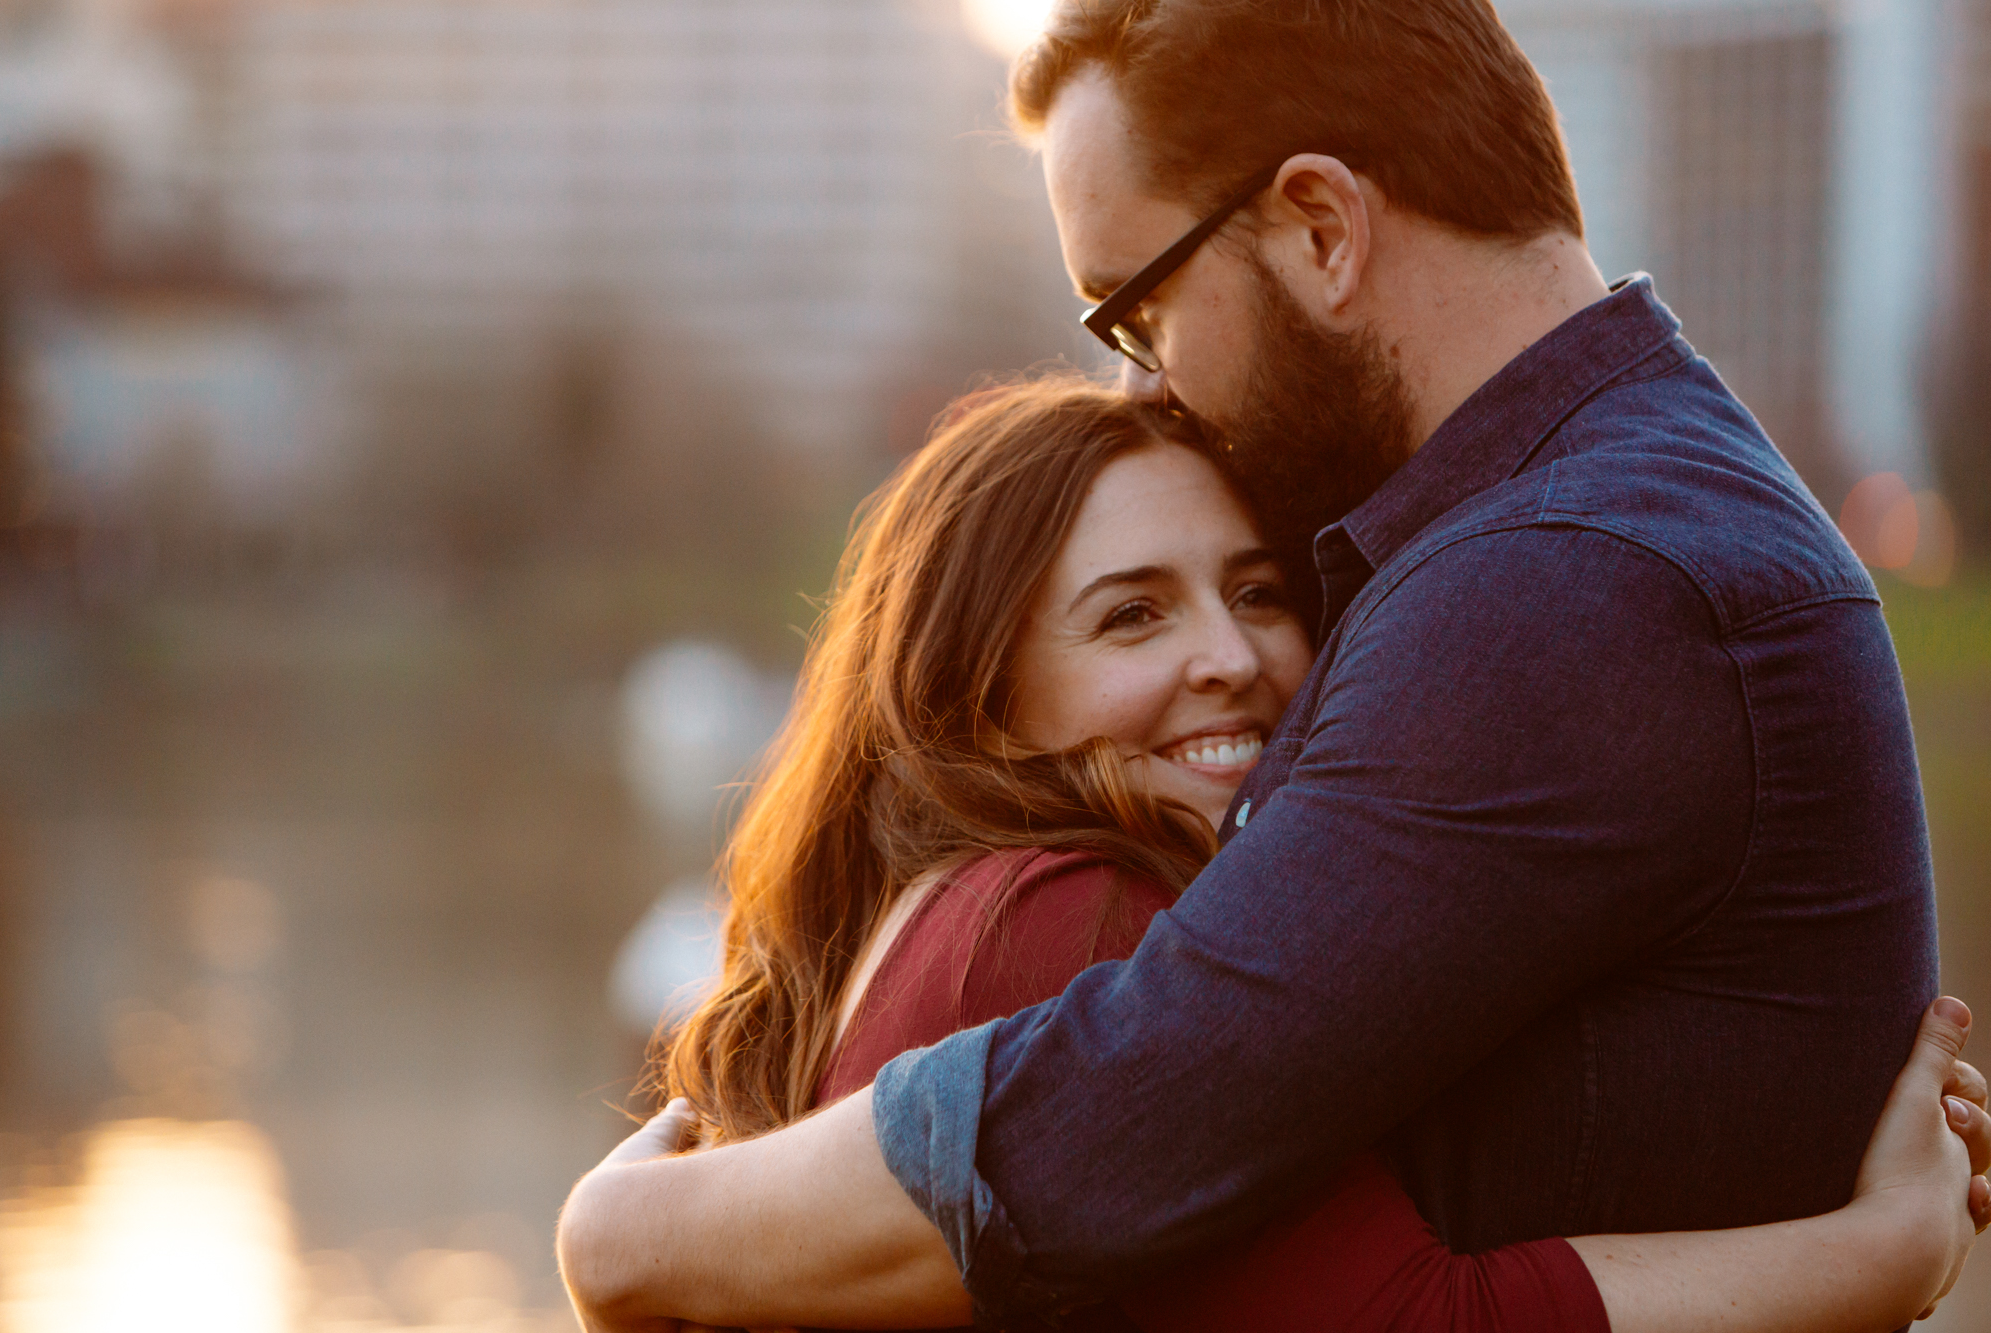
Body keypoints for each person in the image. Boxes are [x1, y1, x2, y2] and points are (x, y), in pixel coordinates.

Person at [562, 0, 1977, 1325]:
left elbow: (1112, 1129)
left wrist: (630, 1238)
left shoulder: (1562, 579)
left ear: (1319, 227)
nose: (1141, 388)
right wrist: (1861, 1262)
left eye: (1136, 308)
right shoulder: (1602, 516)